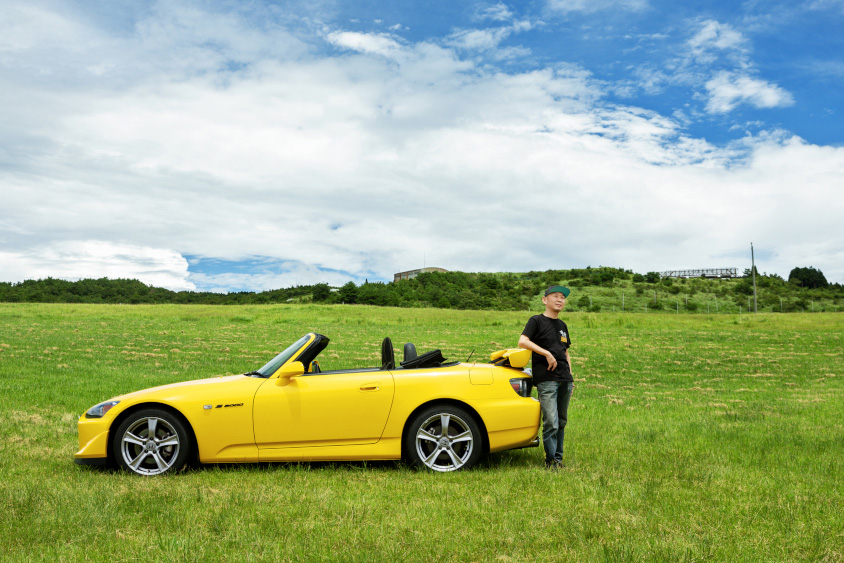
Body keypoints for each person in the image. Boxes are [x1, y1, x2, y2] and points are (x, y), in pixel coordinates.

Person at [518, 285, 574, 469]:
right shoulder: (536, 321)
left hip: (564, 379)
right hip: (547, 379)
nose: (560, 300)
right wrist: (546, 353)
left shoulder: (562, 326)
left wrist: (571, 379)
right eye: (555, 296)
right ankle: (550, 461)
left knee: (562, 421)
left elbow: (565, 353)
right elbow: (523, 341)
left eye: (562, 298)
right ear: (545, 300)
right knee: (551, 421)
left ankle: (558, 459)